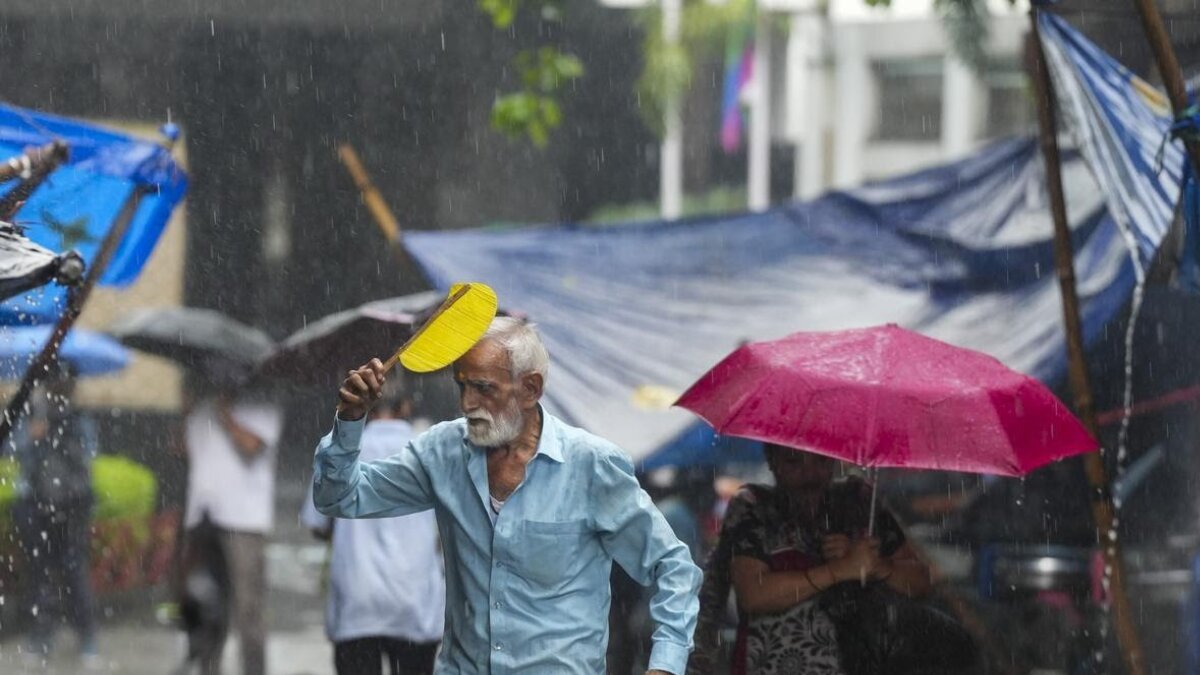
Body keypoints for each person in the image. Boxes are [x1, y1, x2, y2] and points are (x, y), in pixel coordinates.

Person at [313, 317, 702, 674]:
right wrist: (349, 421)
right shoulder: (441, 452)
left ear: (531, 388)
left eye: (484, 388)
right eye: (462, 385)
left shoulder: (591, 465)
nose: (467, 404)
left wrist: (664, 666)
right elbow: (338, 498)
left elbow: (673, 567)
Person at [690, 444, 936, 675]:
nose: (809, 474)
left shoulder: (858, 501)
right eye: (793, 461)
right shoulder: (754, 508)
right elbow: (754, 594)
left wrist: (876, 566)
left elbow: (920, 581)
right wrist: (839, 570)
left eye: (821, 460)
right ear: (772, 461)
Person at [301, 387, 445, 675]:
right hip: (415, 601)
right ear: (405, 407)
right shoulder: (430, 449)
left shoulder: (341, 450)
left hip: (357, 600)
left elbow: (317, 521)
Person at [182, 381, 283, 675]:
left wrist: (226, 415)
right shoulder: (202, 407)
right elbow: (186, 450)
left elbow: (252, 446)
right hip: (203, 518)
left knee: (248, 608)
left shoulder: (263, 405)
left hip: (244, 521)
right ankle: (208, 667)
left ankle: (254, 670)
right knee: (206, 602)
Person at [13, 365, 101, 669]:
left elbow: (87, 459)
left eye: (67, 383)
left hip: (72, 504)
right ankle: (41, 637)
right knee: (40, 571)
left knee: (75, 570)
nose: (62, 388)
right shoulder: (31, 414)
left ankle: (87, 636)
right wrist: (34, 435)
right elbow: (16, 451)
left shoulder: (79, 418)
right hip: (35, 502)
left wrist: (64, 431)